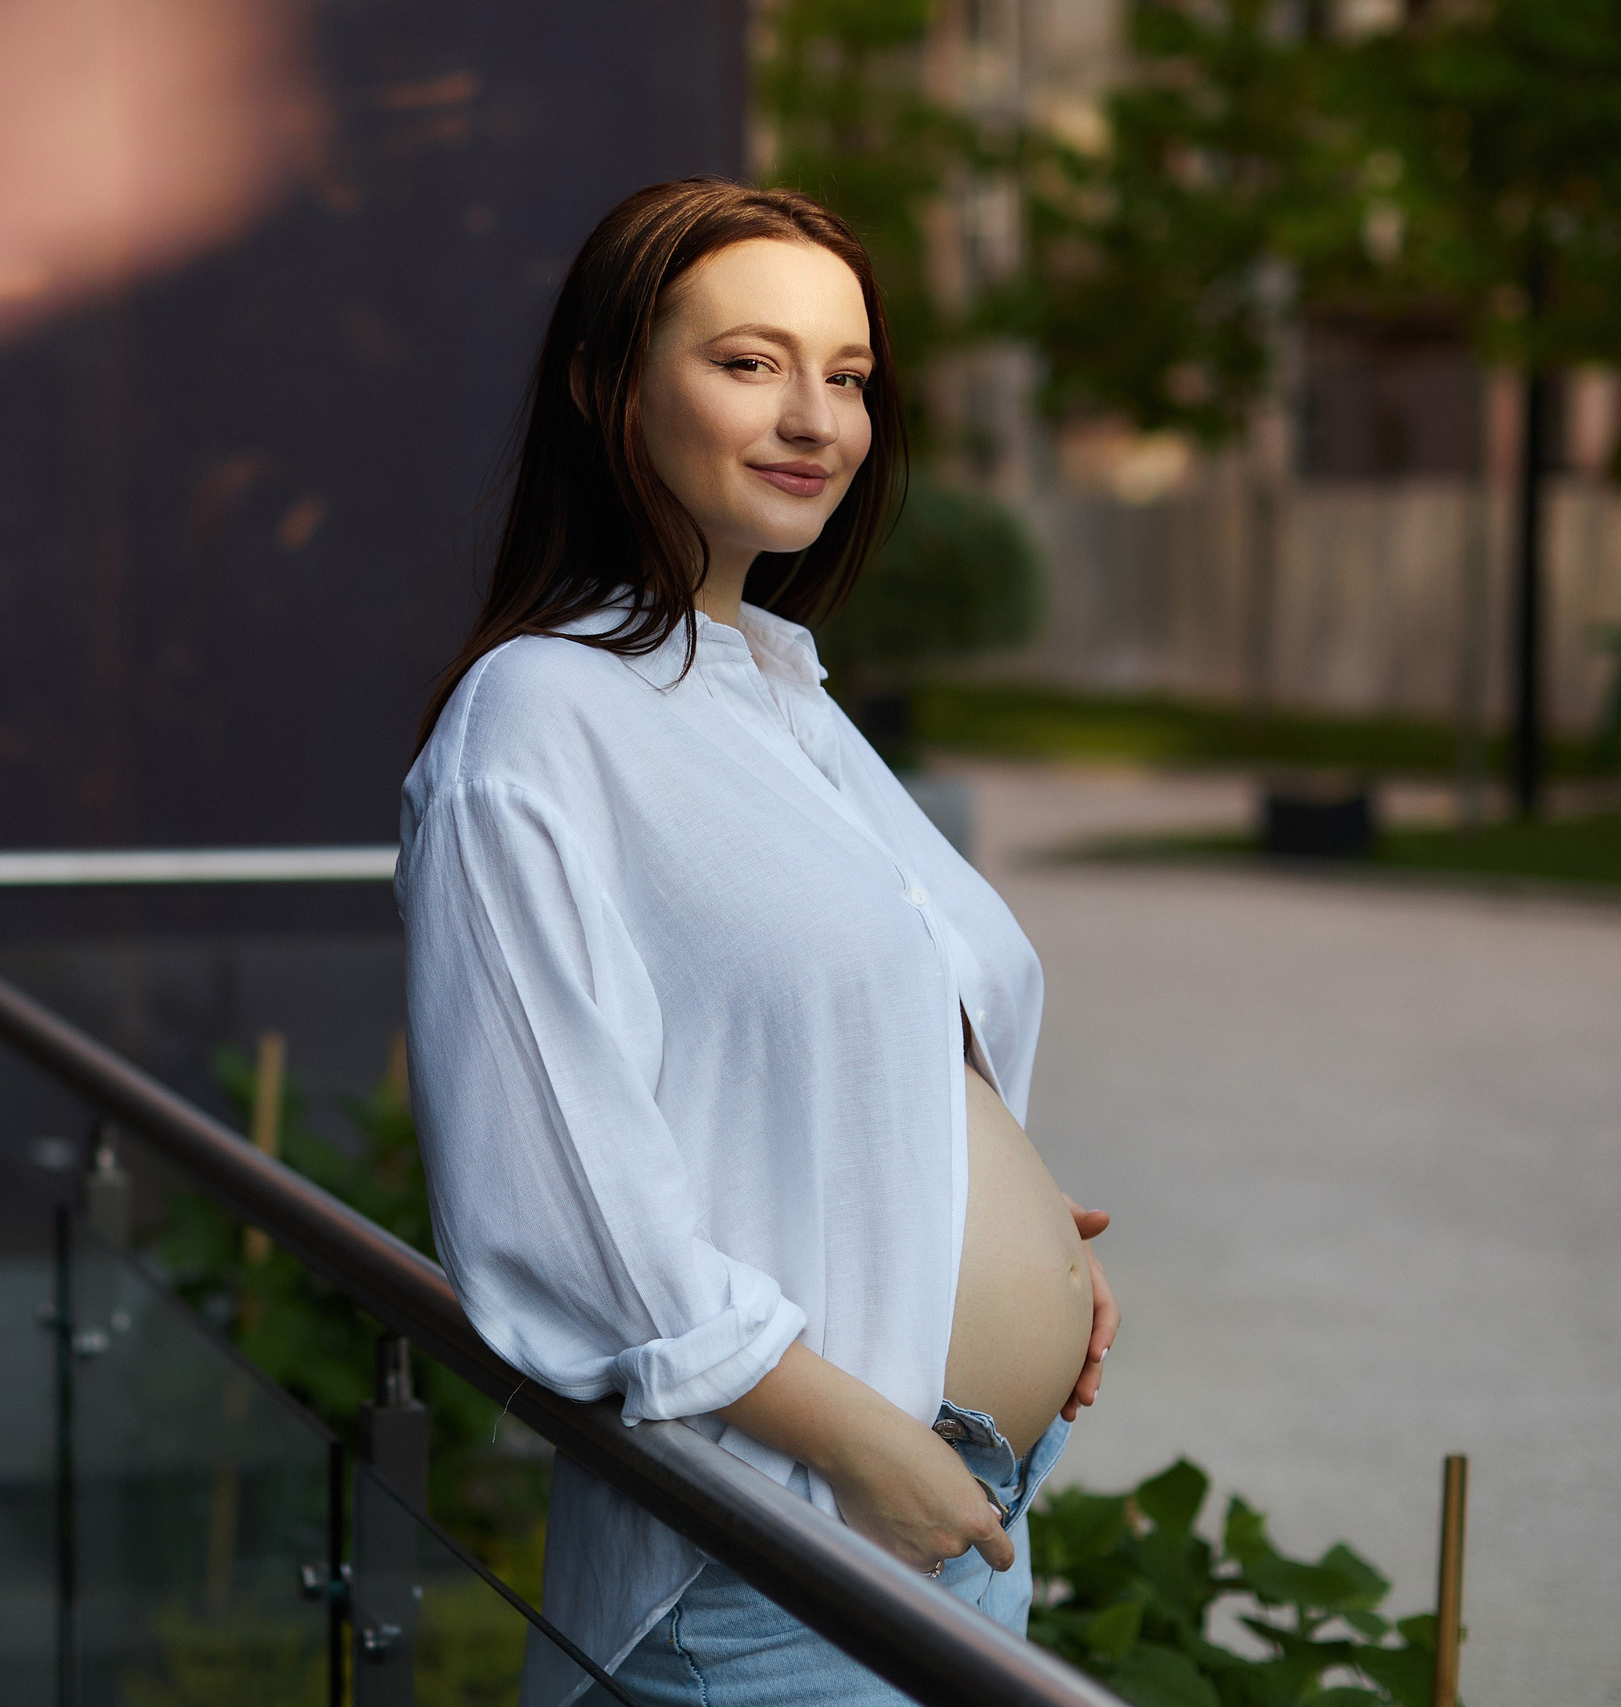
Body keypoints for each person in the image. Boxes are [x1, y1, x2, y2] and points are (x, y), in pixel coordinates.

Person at [396, 178, 1119, 1706]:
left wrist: (1029, 1248)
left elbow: (861, 1046)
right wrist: (873, 1454)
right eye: (749, 362)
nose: (817, 418)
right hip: (782, 1550)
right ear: (611, 388)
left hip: (950, 1505)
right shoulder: (538, 718)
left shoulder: (785, 692)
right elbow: (563, 1207)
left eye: (848, 376)